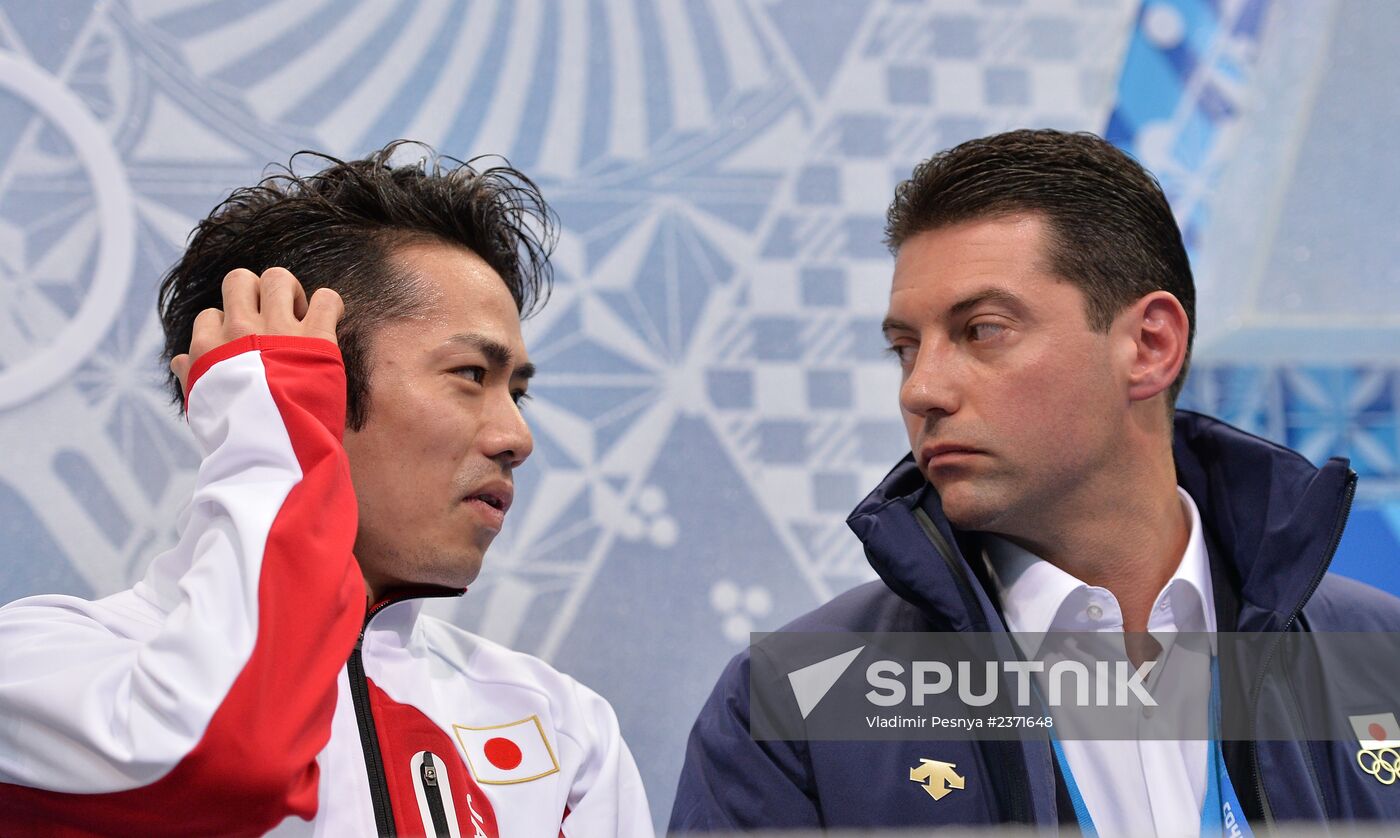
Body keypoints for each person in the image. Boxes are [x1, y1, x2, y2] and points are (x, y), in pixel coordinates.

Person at [670, 129, 1400, 833]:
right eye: (905, 348)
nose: (921, 388)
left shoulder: (1380, 659)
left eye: (982, 330)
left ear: (1150, 346)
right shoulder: (792, 704)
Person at [0, 142, 653, 837]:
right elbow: (225, 760)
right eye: (470, 375)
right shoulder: (42, 664)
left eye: (517, 392)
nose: (517, 436)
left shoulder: (564, 729)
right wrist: (269, 426)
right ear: (304, 383)